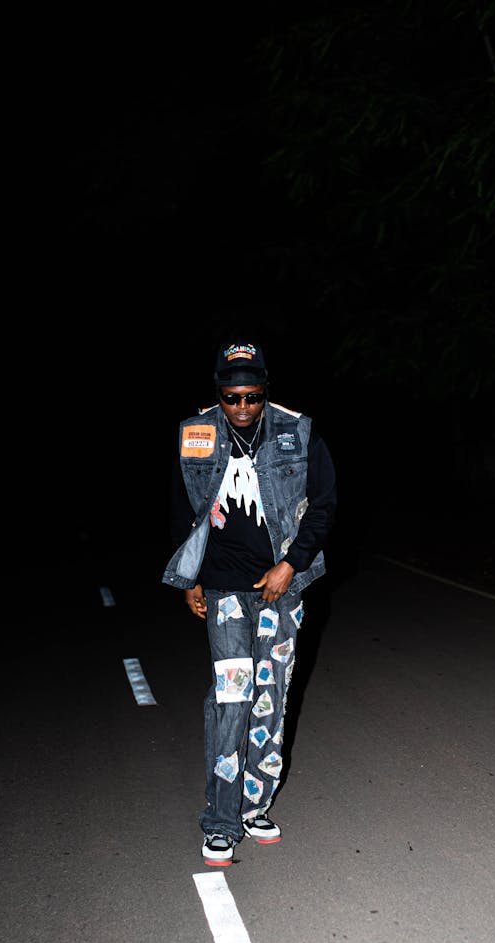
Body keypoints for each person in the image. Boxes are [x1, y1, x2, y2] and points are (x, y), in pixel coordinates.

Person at [163, 339, 337, 866]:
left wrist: (291, 563)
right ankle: (220, 818)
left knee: (272, 698)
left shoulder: (297, 430)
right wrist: (188, 576)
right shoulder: (196, 433)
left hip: (283, 586)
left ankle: (255, 806)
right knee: (232, 697)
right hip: (223, 590)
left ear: (266, 391)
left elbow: (325, 505)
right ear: (218, 392)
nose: (241, 408)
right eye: (231, 397)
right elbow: (182, 505)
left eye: (252, 397)